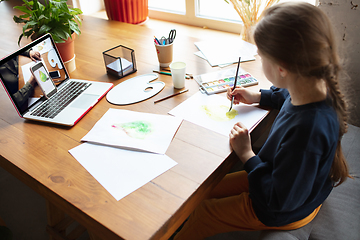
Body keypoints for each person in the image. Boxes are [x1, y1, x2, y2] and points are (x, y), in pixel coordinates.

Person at [172, 2, 350, 239]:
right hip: (282, 179)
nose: (258, 60)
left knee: (204, 211)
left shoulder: (308, 130)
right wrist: (257, 96)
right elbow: (285, 94)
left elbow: (278, 200)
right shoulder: (313, 85)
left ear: (282, 68)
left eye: (260, 56)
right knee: (204, 190)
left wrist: (246, 153)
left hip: (284, 208)